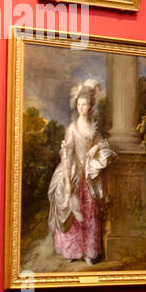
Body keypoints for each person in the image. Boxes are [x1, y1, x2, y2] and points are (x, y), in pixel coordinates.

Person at [47, 78, 115, 265]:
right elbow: (67, 155)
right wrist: (68, 182)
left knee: (90, 211)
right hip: (74, 172)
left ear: (90, 107)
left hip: (89, 175)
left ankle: (89, 251)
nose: (82, 107)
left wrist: (97, 147)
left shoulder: (93, 128)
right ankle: (73, 250)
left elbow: (102, 142)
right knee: (73, 210)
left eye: (85, 104)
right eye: (79, 104)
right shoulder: (72, 129)